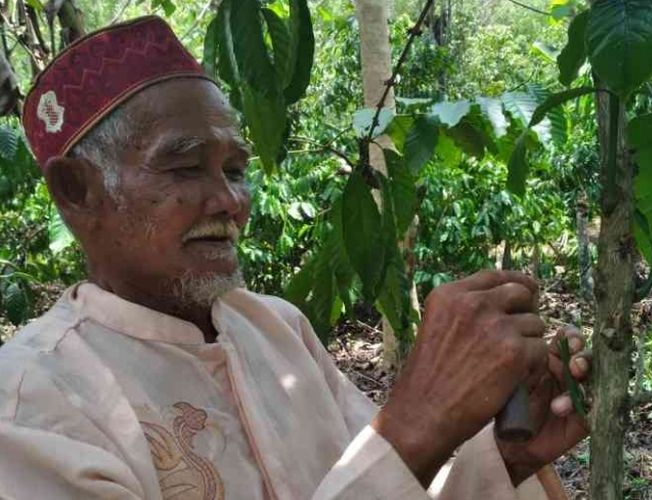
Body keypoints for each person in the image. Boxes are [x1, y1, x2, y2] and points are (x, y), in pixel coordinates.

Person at [0, 16, 591, 499]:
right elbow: (392, 463)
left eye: (236, 170)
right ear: (78, 193)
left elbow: (390, 483)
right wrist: (416, 424)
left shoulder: (277, 329)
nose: (230, 200)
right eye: (184, 166)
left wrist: (504, 461)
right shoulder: (33, 402)